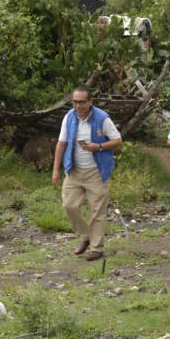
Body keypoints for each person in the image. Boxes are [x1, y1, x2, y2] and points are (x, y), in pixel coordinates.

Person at [52, 86, 122, 262]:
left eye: (82, 102)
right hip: (73, 170)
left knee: (97, 211)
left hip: (96, 172)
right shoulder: (69, 117)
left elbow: (117, 140)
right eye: (75, 101)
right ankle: (85, 235)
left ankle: (96, 248)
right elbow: (61, 144)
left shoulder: (102, 118)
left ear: (90, 102)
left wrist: (98, 146)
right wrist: (55, 170)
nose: (78, 105)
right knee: (69, 205)